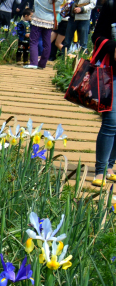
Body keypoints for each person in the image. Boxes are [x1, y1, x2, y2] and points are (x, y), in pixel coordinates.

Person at [91, 0, 116, 185]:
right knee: (111, 120)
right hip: (110, 72)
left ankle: (110, 166)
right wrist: (113, 47)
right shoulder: (112, 6)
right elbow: (97, 36)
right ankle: (100, 169)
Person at [25, 0, 58, 68]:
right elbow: (58, 9)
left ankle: (34, 63)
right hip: (49, 21)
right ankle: (42, 64)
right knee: (47, 43)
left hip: (38, 19)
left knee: (33, 41)